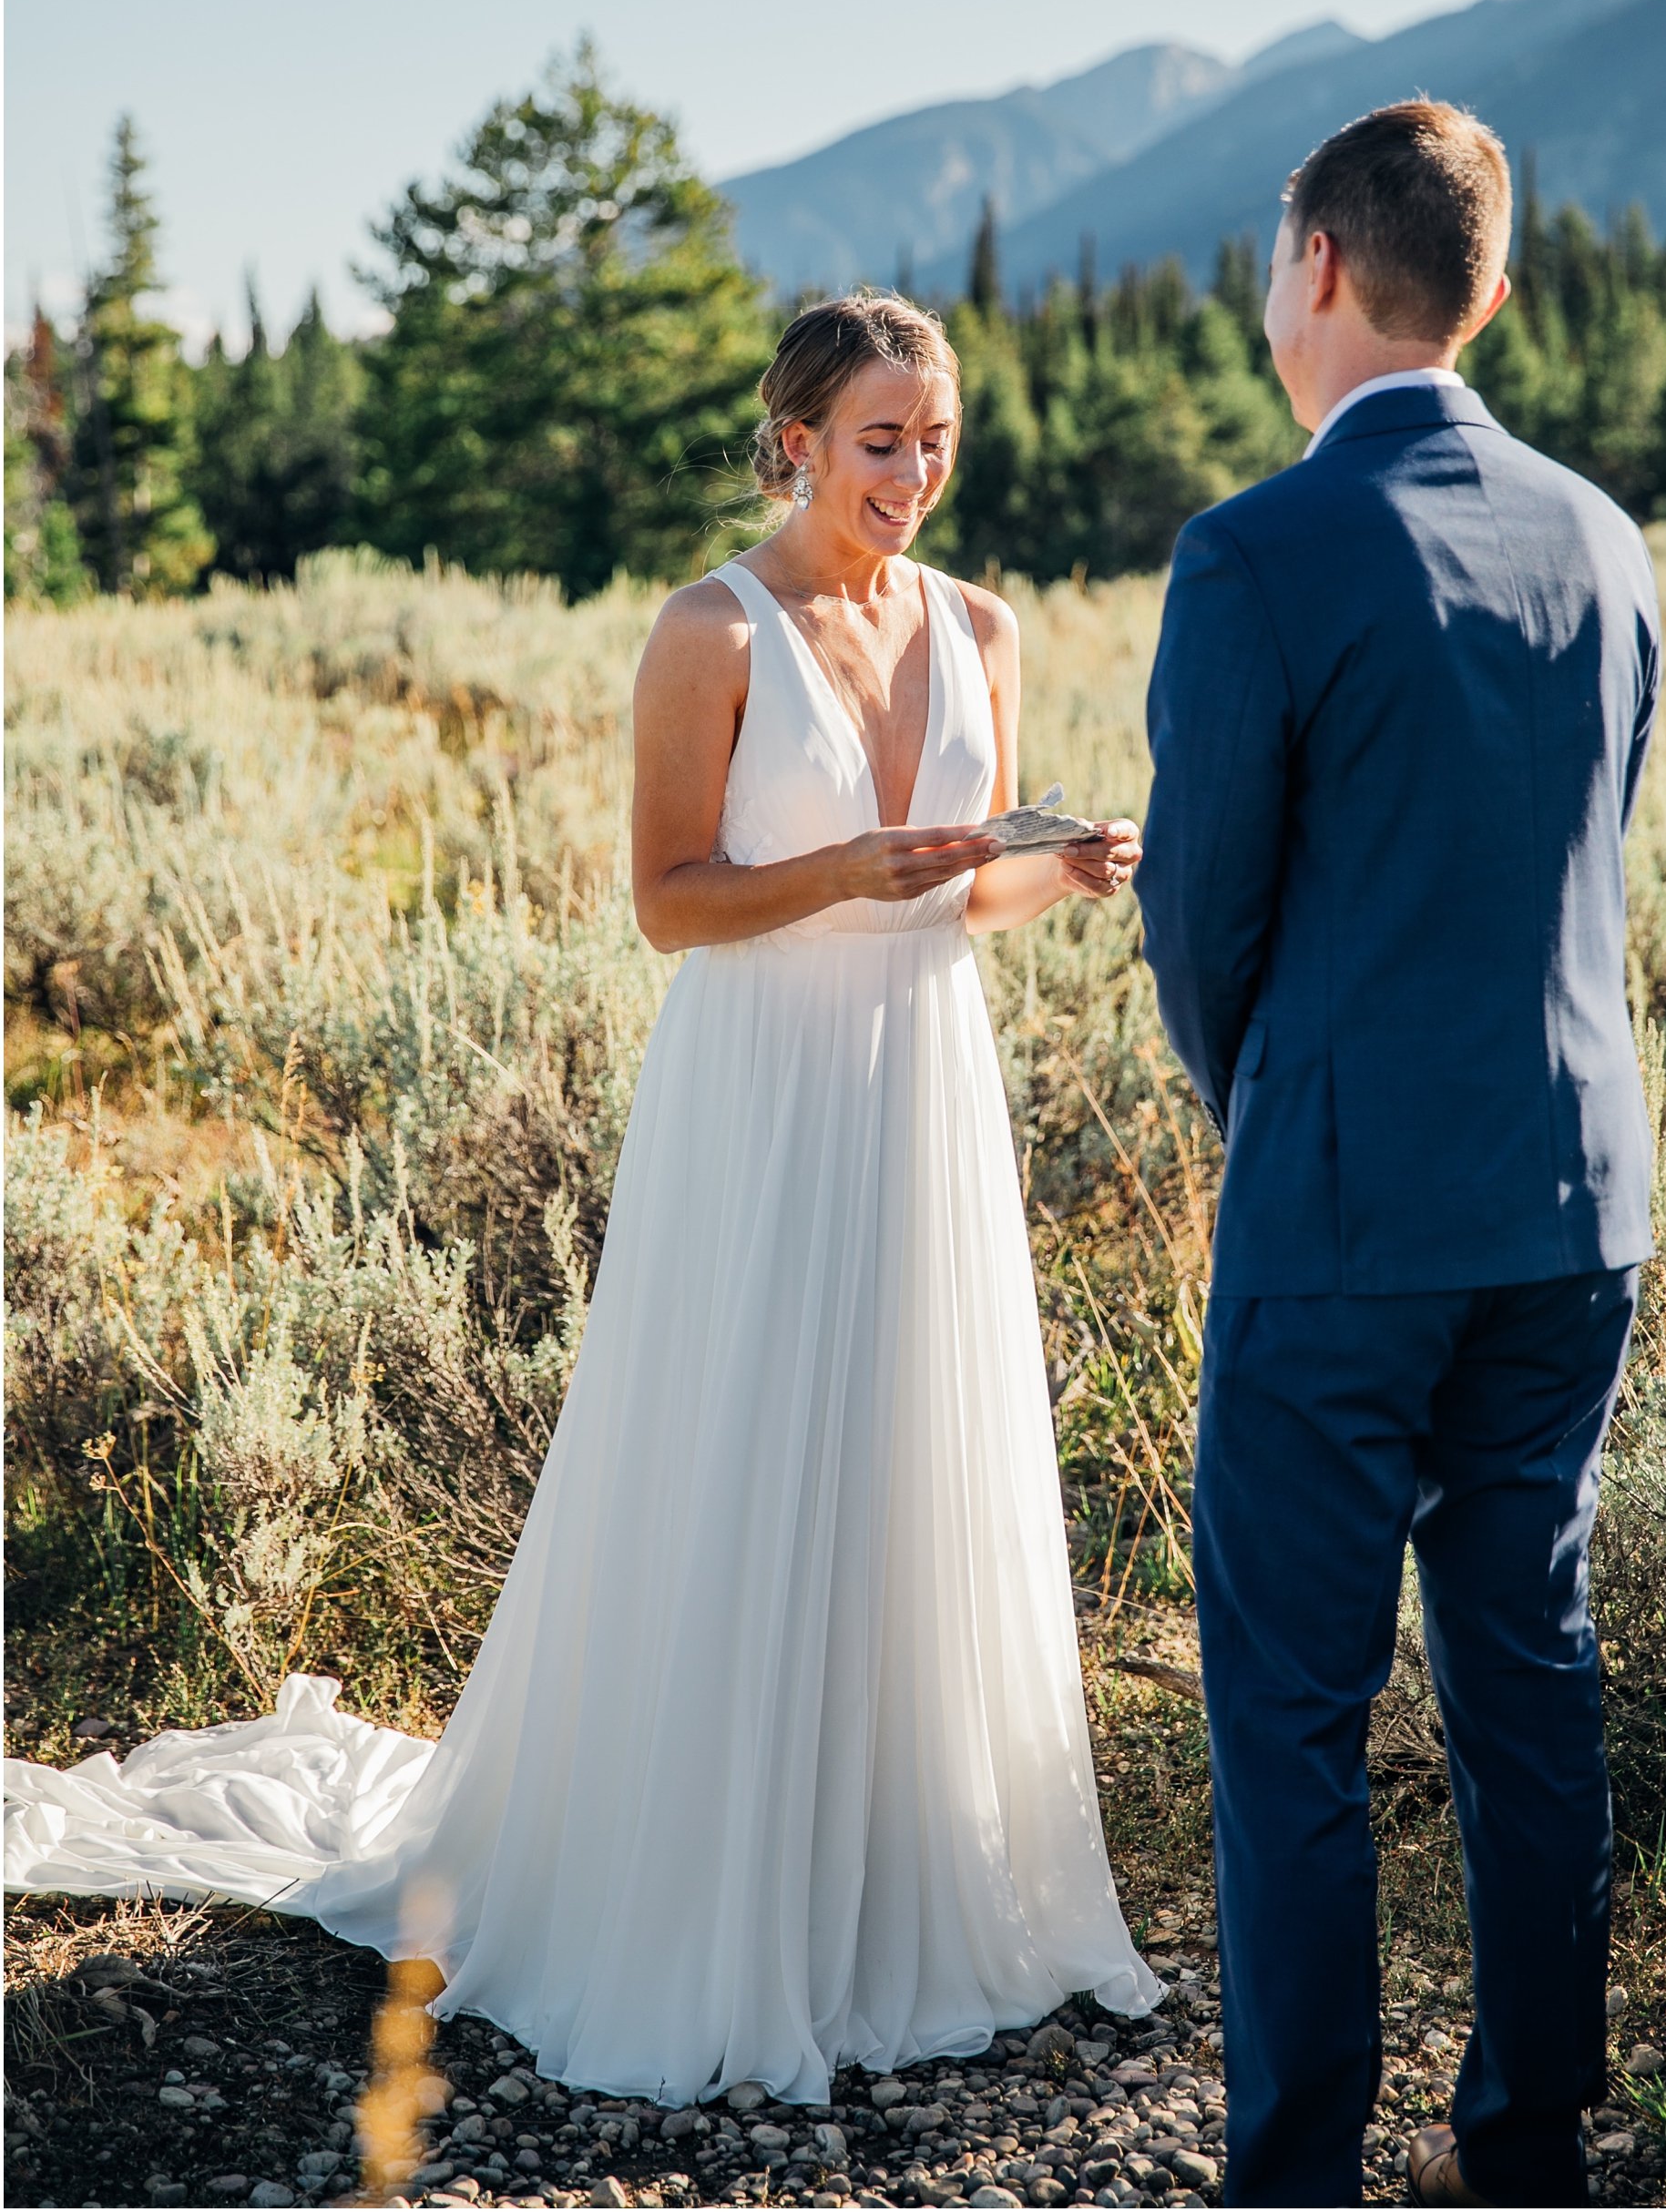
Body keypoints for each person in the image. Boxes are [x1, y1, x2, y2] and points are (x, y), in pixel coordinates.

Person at [5, 291, 1163, 2103]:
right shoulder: (709, 628)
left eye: (936, 440)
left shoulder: (985, 628)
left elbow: (962, 893)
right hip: (759, 1095)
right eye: (881, 442)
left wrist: (1055, 868)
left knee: (900, 1448)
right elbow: (671, 902)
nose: (915, 475)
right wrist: (840, 865)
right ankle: (701, 1890)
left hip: (919, 1089)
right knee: (737, 1447)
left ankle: (894, 1881)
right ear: (794, 440)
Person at [1135, 102, 1660, 2210]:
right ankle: (1529, 2142)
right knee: (1528, 1672)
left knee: (1285, 1714)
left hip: (1341, 1216)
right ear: (1494, 293)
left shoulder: (1255, 550)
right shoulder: (1608, 540)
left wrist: (1259, 1107)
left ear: (1320, 269)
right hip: (1570, 1202)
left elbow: (1200, 916)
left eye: (1276, 260)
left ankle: (1297, 2176)